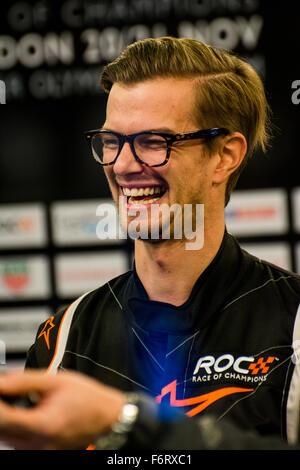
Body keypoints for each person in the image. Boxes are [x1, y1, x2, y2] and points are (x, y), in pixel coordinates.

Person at [21, 37, 300, 447]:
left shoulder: (293, 326)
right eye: (112, 141)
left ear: (225, 155)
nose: (124, 165)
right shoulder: (65, 337)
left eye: (154, 142)